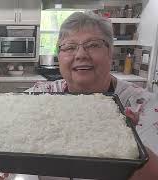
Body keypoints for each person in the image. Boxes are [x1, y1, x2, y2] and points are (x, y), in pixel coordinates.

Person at [26, 11, 158, 180]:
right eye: (69, 47)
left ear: (110, 52)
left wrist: (127, 143)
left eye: (93, 45)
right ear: (59, 57)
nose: (80, 54)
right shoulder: (40, 96)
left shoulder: (144, 106)